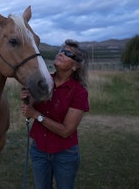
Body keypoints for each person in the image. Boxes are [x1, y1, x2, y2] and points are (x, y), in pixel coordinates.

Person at [21, 39, 89, 189]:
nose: (61, 54)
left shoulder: (79, 93)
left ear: (75, 66)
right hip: (38, 150)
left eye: (67, 53)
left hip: (64, 154)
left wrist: (36, 114)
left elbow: (66, 131)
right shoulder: (44, 81)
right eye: (60, 51)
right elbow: (28, 113)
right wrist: (28, 100)